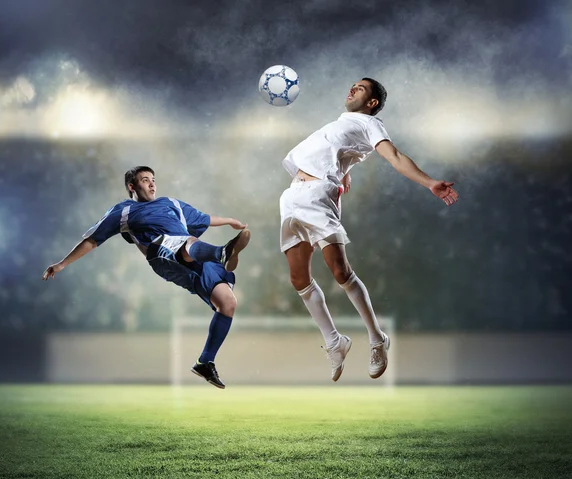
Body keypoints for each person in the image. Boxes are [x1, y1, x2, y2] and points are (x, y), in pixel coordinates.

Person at [279, 78, 459, 382]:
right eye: (352, 85)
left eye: (360, 88)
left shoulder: (369, 124)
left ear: (372, 103)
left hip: (318, 196)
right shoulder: (340, 124)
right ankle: (335, 342)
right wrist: (346, 169)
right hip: (292, 197)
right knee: (298, 279)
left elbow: (395, 157)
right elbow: (341, 152)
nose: (352, 89)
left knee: (339, 272)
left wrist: (430, 183)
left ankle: (377, 339)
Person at [42, 166, 250, 389]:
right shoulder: (123, 211)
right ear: (132, 187)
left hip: (192, 254)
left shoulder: (172, 203)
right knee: (186, 241)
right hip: (161, 252)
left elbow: (204, 218)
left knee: (228, 302)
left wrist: (229, 220)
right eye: (144, 180)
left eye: (153, 179)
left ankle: (205, 361)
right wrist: (63, 263)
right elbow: (93, 240)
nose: (152, 184)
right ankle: (222, 253)